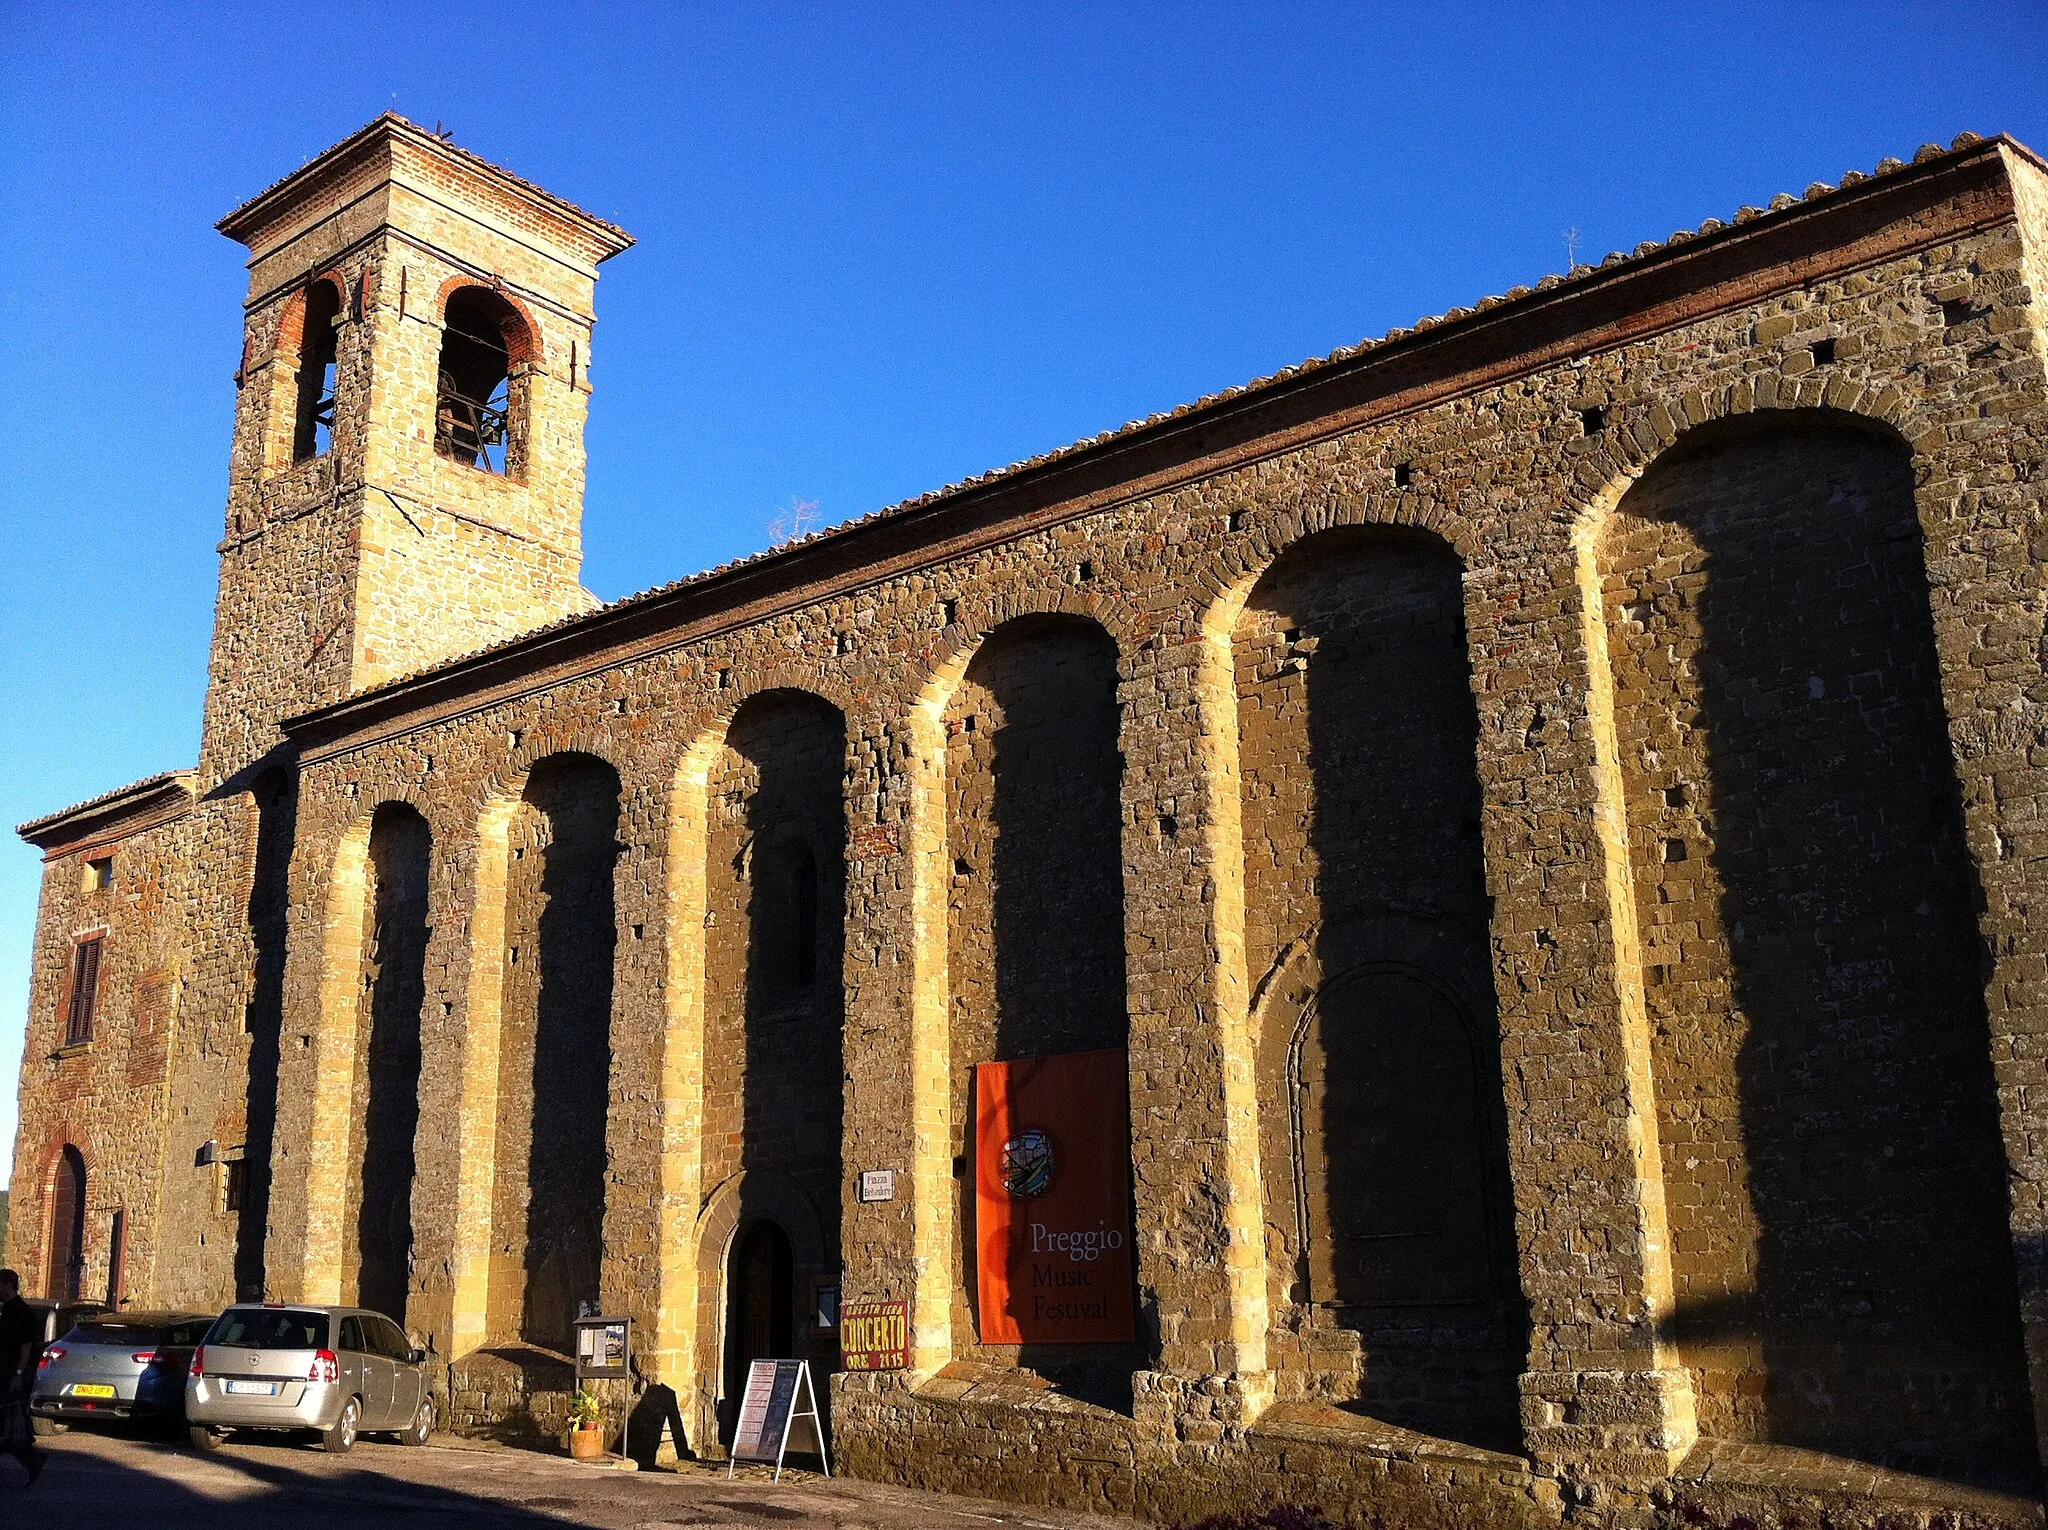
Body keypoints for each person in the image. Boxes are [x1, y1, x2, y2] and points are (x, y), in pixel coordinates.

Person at [0, 1269, 47, 1486]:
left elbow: (26, 1347)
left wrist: (18, 1375)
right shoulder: (6, 1311)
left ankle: (32, 1458)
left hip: (13, 1372)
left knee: (10, 1423)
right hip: (4, 1370)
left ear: (8, 1285)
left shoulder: (22, 1312)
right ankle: (32, 1457)